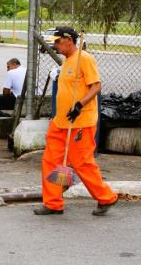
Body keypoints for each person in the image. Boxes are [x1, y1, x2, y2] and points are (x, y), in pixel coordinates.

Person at [35, 26, 118, 216]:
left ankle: (106, 197)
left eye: (57, 42)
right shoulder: (67, 61)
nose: (55, 45)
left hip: (80, 122)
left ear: (69, 40)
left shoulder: (85, 58)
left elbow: (96, 86)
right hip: (60, 122)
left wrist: (79, 105)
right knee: (51, 160)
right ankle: (53, 203)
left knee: (82, 162)